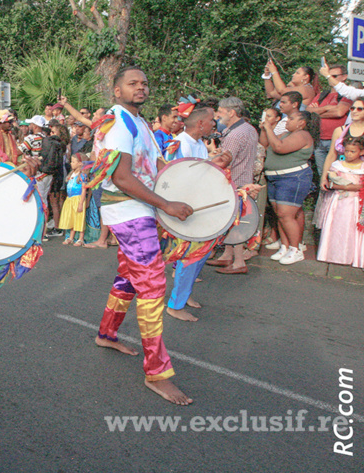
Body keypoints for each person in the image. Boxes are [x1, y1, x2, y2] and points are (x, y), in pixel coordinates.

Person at [93, 66, 193, 405]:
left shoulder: (139, 124)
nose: (141, 87)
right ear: (117, 91)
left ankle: (107, 333)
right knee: (152, 286)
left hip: (138, 211)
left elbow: (155, 169)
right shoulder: (119, 122)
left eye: (145, 83)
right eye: (132, 83)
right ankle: (157, 372)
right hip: (128, 212)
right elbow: (121, 177)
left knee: (129, 278)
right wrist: (166, 204)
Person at [164, 106, 222, 322]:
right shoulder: (179, 144)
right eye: (211, 121)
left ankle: (184, 295)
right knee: (190, 256)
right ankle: (175, 305)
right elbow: (176, 179)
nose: (213, 124)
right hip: (185, 210)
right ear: (200, 124)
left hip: (198, 208)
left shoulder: (198, 144)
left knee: (200, 254)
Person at [206, 97, 258, 274]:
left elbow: (225, 161)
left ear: (232, 112)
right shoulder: (249, 129)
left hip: (234, 181)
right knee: (234, 220)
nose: (218, 115)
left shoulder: (235, 134)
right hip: (244, 178)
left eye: (220, 111)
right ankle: (227, 255)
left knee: (234, 222)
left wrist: (208, 158)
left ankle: (239, 262)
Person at [259, 109, 317, 265]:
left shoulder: (302, 135)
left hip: (292, 178)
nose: (287, 121)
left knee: (286, 214)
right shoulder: (286, 134)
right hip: (276, 177)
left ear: (301, 123)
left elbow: (279, 148)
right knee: (280, 214)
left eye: (291, 119)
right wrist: (265, 128)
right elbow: (265, 144)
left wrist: (270, 128)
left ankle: (295, 249)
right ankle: (285, 247)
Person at [317, 134, 364, 267]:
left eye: (353, 151)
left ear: (361, 151)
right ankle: (334, 254)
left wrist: (356, 188)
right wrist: (347, 187)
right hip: (339, 202)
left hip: (356, 203)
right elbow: (331, 184)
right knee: (338, 227)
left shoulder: (362, 167)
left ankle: (353, 256)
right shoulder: (337, 165)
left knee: (353, 229)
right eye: (346, 151)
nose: (348, 154)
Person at [307, 64, 353, 175]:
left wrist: (318, 110)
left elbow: (339, 112)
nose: (330, 78)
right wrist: (328, 108)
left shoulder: (347, 93)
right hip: (320, 141)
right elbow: (308, 111)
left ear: (344, 76)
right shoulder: (323, 94)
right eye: (328, 75)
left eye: (334, 76)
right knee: (322, 174)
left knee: (338, 174)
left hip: (338, 142)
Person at [60, 155, 87, 246]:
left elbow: (84, 189)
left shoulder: (82, 175)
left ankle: (81, 238)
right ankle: (71, 237)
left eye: (73, 162)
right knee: (71, 217)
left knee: (79, 218)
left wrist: (81, 203)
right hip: (70, 199)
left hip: (78, 198)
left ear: (80, 163)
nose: (71, 163)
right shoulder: (71, 174)